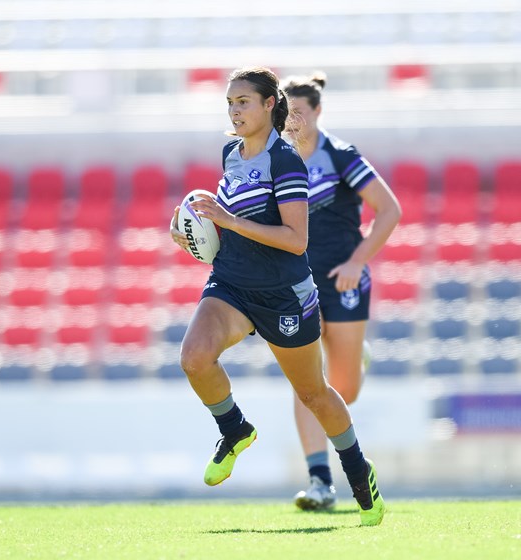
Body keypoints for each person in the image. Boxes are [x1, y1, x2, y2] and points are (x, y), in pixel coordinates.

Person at [169, 66, 385, 526]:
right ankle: (235, 430)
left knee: (314, 394)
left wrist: (226, 221)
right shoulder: (231, 152)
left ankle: (357, 471)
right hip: (231, 284)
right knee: (194, 357)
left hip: (284, 293)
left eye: (243, 101)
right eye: (229, 102)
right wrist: (191, 232)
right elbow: (223, 226)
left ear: (270, 105)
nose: (234, 110)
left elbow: (295, 240)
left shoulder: (286, 159)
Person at [281, 72, 402, 511]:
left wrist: (356, 262)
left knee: (343, 391)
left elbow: (389, 210)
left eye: (298, 112)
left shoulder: (341, 155)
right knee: (307, 384)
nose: (291, 121)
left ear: (317, 111)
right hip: (296, 286)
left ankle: (357, 357)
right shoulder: (275, 158)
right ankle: (319, 482)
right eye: (284, 113)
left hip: (343, 283)